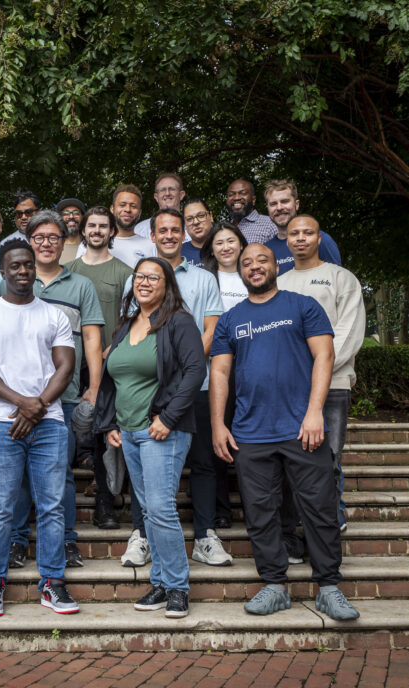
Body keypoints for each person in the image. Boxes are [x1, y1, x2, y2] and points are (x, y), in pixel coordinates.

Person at [209, 243, 360, 621]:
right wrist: (217, 425)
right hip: (250, 433)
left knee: (320, 508)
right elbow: (220, 373)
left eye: (262, 260)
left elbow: (324, 356)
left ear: (276, 265)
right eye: (247, 263)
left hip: (301, 429)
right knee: (261, 513)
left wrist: (314, 413)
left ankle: (329, 586)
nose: (255, 267)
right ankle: (274, 585)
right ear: (240, 273)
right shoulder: (231, 319)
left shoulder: (302, 305)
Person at [0, 239, 78, 617]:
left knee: (51, 506)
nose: (23, 271)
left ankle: (52, 582)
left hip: (49, 423)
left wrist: (38, 406)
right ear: (3, 270)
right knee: (1, 505)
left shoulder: (54, 315)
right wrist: (24, 404)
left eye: (28, 264)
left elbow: (65, 366)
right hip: (2, 423)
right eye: (15, 265)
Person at [95, 257, 206, 618]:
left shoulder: (179, 322)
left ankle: (177, 587)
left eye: (152, 277)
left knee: (160, 508)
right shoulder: (125, 327)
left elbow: (194, 371)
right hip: (128, 432)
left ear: (167, 284)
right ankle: (159, 582)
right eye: (139, 276)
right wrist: (109, 422)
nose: (143, 282)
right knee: (147, 510)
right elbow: (114, 378)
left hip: (162, 431)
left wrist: (169, 418)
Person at [121, 208, 229, 567]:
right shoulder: (136, 278)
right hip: (147, 390)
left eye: (175, 230)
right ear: (151, 236)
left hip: (193, 387)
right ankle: (142, 535)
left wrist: (184, 371)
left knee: (202, 462)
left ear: (184, 234)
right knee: (144, 468)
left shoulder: (203, 278)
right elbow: (130, 330)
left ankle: (204, 536)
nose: (168, 235)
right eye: (162, 230)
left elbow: (211, 330)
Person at [6, 210, 104, 569]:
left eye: (54, 238)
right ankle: (17, 540)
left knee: (60, 474)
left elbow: (92, 338)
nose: (46, 244)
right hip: (16, 398)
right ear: (29, 242)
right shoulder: (11, 282)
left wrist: (93, 386)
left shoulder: (81, 286)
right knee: (16, 476)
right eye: (39, 238)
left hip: (63, 397)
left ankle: (66, 541)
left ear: (65, 243)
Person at [278, 215, 365, 531]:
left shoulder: (342, 279)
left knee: (327, 457)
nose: (301, 238)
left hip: (333, 384)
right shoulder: (280, 283)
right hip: (289, 387)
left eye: (308, 232)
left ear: (319, 238)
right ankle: (300, 523)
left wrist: (318, 369)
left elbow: (349, 332)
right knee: (292, 457)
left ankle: (331, 519)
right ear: (287, 240)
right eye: (294, 233)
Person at [65, 207, 133, 530]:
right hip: (71, 364)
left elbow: (135, 315)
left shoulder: (125, 272)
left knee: (106, 435)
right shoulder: (68, 271)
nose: (96, 230)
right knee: (78, 434)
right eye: (91, 225)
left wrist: (115, 344)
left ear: (111, 231)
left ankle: (105, 505)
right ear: (83, 230)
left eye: (102, 226)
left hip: (112, 363)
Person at [261, 180, 341, 274]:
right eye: (273, 204)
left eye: (285, 201)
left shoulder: (320, 240)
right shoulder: (265, 250)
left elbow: (338, 281)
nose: (279, 208)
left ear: (297, 204)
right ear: (268, 208)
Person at [77, 184, 156, 268]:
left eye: (133, 206)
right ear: (112, 209)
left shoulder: (151, 246)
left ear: (140, 212)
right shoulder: (90, 243)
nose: (127, 210)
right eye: (122, 205)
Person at [200, 221, 250, 311]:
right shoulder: (203, 280)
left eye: (231, 241)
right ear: (212, 250)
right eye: (219, 243)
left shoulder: (252, 275)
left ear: (241, 245)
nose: (226, 248)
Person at [223, 179, 278, 245]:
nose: (236, 198)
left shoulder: (271, 224)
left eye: (243, 193)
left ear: (253, 200)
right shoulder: (224, 228)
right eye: (231, 194)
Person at [134, 173, 186, 238]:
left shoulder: (192, 228)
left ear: (181, 195)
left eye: (172, 189)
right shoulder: (140, 230)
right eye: (163, 190)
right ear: (156, 197)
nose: (167, 193)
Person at [180, 198, 214, 268]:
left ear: (210, 216)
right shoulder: (179, 253)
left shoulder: (224, 247)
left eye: (201, 216)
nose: (196, 222)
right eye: (189, 219)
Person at [56, 198, 86, 264]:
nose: (71, 216)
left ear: (83, 217)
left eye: (76, 213)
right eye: (66, 213)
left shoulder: (90, 247)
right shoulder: (54, 247)